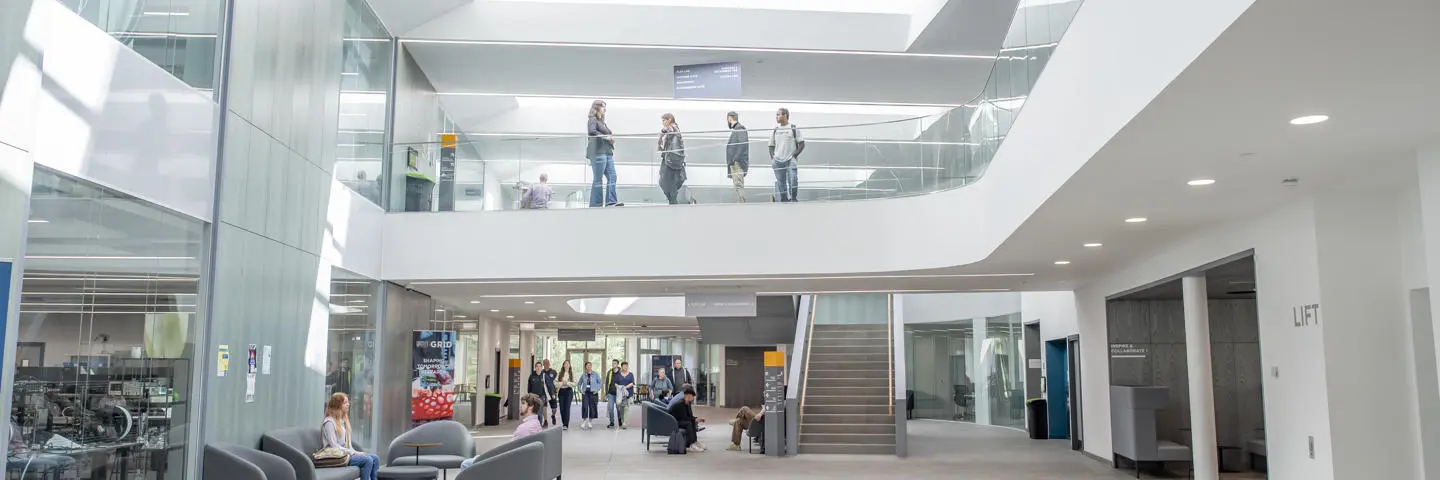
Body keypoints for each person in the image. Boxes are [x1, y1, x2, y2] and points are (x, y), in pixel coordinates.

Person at [461, 394, 543, 469]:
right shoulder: (536, 424)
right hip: (519, 460)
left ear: (531, 407)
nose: (520, 406)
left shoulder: (525, 428)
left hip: (507, 462)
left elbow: (509, 448)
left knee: (466, 464)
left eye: (523, 403)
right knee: (476, 458)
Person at [322, 393, 379, 480]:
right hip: (335, 456)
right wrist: (355, 453)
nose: (348, 404)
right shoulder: (329, 422)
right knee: (368, 460)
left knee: (375, 458)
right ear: (337, 405)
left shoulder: (342, 421)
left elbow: (348, 446)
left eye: (348, 402)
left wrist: (355, 452)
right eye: (345, 402)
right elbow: (334, 446)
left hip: (345, 454)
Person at [586, 99, 621, 207]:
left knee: (612, 176)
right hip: (598, 152)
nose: (604, 109)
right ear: (596, 108)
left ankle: (611, 201)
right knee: (598, 178)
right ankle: (596, 204)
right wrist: (606, 137)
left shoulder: (602, 122)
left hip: (607, 152)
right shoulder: (592, 120)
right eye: (603, 107)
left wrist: (610, 139)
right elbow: (592, 131)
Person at [768, 108, 804, 202]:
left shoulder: (793, 128)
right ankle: (784, 200)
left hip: (790, 160)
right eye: (776, 115)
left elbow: (802, 143)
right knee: (781, 182)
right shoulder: (775, 129)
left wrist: (794, 155)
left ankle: (793, 199)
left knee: (793, 180)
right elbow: (771, 145)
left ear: (785, 115)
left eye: (778, 114)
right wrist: (773, 158)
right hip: (777, 160)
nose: (776, 117)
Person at [657, 113, 687, 205]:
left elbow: (668, 129)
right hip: (669, 159)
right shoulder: (674, 129)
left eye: (664, 120)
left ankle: (673, 201)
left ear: (669, 119)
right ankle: (672, 201)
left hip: (672, 161)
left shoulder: (674, 127)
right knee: (666, 182)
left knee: (666, 182)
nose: (663, 123)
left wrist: (661, 136)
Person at [666, 386, 707, 453]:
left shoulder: (687, 403)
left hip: (679, 420)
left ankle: (694, 441)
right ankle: (691, 444)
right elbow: (684, 418)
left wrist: (696, 419)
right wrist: (694, 419)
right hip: (673, 422)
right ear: (687, 396)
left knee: (692, 422)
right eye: (692, 397)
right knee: (689, 423)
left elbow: (689, 416)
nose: (693, 398)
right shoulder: (680, 404)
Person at [725, 111, 750, 202]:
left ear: (730, 118)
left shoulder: (740, 129)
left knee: (738, 185)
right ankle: (741, 203)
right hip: (736, 162)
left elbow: (742, 144)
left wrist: (735, 159)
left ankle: (742, 205)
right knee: (737, 185)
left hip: (737, 163)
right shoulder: (737, 129)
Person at [578, 361, 604, 430]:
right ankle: (584, 421)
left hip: (593, 393)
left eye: (590, 365)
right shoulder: (583, 375)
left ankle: (590, 421)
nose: (589, 366)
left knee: (592, 407)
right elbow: (579, 384)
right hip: (585, 393)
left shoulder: (595, 374)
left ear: (591, 366)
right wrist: (581, 390)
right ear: (585, 367)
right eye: (587, 365)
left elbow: (600, 383)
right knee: (585, 406)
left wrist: (597, 390)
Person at [613, 362, 636, 429]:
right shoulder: (618, 375)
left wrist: (625, 387)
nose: (625, 367)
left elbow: (632, 383)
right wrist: (619, 387)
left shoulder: (630, 374)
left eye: (626, 366)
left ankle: (625, 422)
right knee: (621, 409)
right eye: (624, 366)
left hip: (628, 394)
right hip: (621, 395)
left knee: (626, 408)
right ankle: (623, 421)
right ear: (621, 367)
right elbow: (615, 384)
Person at [556, 360, 576, 430]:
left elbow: (575, 383)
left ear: (569, 365)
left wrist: (567, 383)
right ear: (563, 365)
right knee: (562, 408)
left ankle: (565, 424)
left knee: (567, 408)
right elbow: (555, 383)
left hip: (568, 391)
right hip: (561, 391)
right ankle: (564, 422)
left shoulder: (572, 374)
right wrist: (562, 383)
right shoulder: (559, 374)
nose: (566, 365)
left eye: (568, 364)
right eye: (565, 364)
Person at [604, 359, 621, 428]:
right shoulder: (610, 372)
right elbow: (607, 383)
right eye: (612, 363)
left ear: (617, 364)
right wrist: (606, 393)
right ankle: (612, 422)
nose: (613, 364)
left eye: (615, 363)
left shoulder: (621, 372)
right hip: (610, 393)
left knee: (618, 408)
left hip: (618, 394)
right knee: (610, 408)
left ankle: (620, 420)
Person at [541, 359, 559, 427]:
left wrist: (556, 391)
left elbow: (557, 382)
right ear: (543, 364)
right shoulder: (541, 372)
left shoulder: (554, 372)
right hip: (544, 392)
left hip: (552, 392)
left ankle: (553, 416)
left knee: (554, 409)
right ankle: (545, 421)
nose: (546, 364)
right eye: (545, 363)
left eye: (547, 363)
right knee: (544, 407)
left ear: (549, 364)